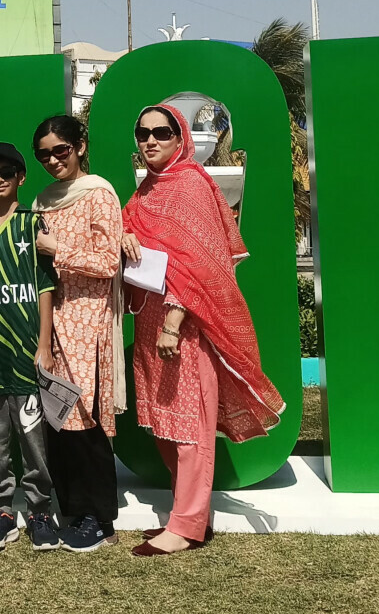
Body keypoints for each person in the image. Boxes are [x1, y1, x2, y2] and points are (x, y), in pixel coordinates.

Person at [122, 103, 285, 556]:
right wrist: (123, 235)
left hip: (185, 326)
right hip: (150, 321)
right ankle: (188, 514)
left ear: (181, 139)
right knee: (164, 423)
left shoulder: (192, 185)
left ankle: (187, 525)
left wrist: (175, 320)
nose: (150, 141)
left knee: (190, 424)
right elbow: (129, 233)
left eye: (161, 132)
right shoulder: (146, 193)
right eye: (142, 133)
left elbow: (203, 266)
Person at [31, 114, 128, 553]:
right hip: (51, 320)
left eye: (61, 150)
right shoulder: (42, 200)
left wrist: (58, 250)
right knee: (57, 418)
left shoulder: (99, 193)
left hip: (88, 321)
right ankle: (71, 508)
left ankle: (98, 518)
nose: (53, 160)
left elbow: (108, 262)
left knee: (85, 419)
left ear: (80, 147)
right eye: (44, 154)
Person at [0, 141, 59, 552]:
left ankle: (39, 512)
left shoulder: (33, 224)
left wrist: (44, 344)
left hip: (26, 354)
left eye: (5, 171)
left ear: (20, 177)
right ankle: (0, 511)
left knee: (33, 438)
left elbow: (46, 286)